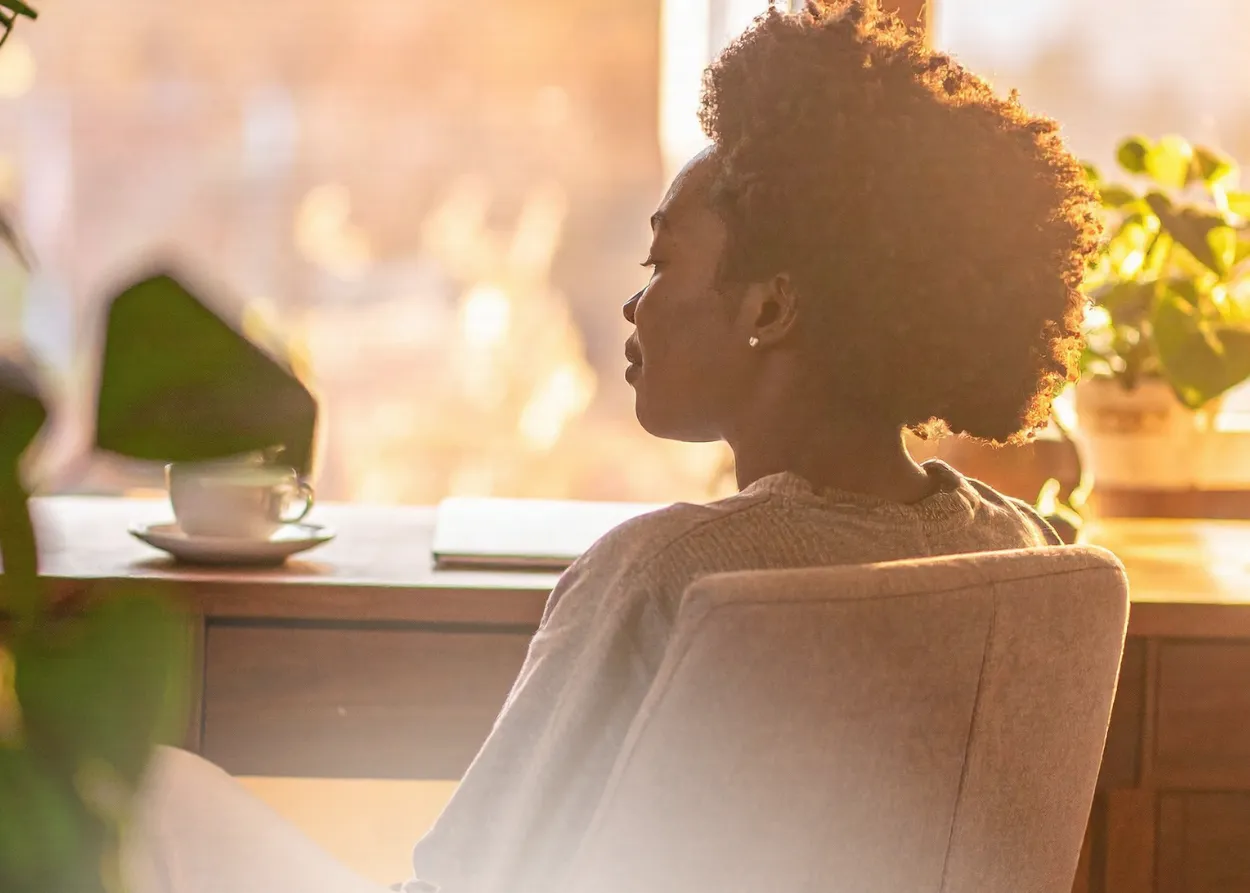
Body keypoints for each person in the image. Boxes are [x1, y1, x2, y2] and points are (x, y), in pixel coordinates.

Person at [121, 3, 1101, 892]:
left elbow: (466, 877)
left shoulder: (667, 571)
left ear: (769, 308)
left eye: (661, 259)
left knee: (148, 797)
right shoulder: (1034, 558)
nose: (635, 302)